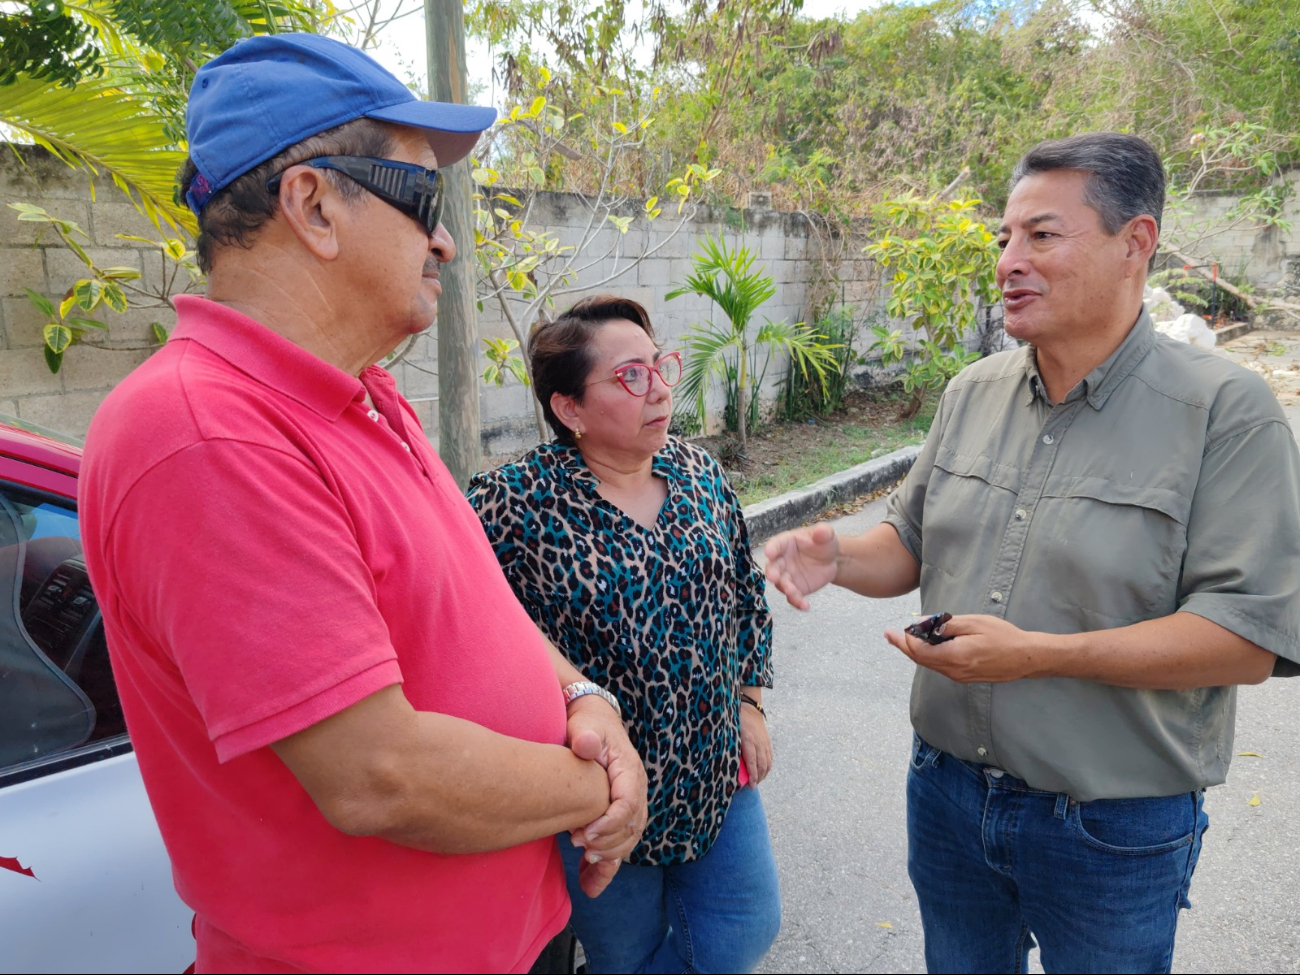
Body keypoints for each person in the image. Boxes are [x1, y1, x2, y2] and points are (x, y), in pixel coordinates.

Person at [78, 34, 647, 974]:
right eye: (423, 195)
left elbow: (476, 607)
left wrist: (582, 695)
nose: (446, 238)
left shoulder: (357, 394)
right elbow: (378, 774)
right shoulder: (206, 433)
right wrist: (602, 783)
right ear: (313, 205)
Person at [764, 132, 1300, 974]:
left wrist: (1038, 658)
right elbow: (906, 541)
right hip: (946, 796)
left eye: (1042, 236)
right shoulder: (972, 392)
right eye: (1004, 238)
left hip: (1110, 824)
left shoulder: (1224, 412)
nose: (1011, 259)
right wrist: (838, 555)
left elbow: (1245, 637)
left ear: (1137, 243)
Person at [467, 295, 782, 973]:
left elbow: (746, 595)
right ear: (569, 408)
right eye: (630, 376)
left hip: (711, 771)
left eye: (659, 365)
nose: (662, 388)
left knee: (744, 926)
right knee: (624, 952)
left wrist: (750, 701)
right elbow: (471, 623)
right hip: (597, 794)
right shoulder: (513, 500)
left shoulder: (700, 475)